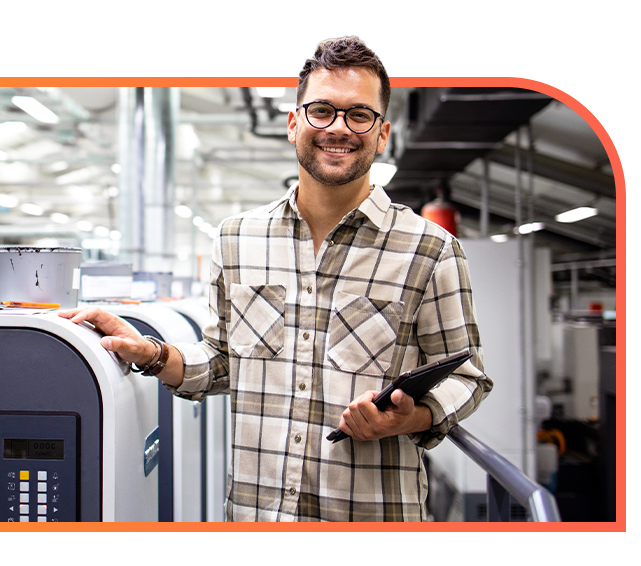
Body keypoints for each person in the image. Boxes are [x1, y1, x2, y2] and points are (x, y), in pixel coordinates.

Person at [59, 35, 493, 521]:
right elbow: (222, 363)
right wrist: (152, 353)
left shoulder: (429, 250)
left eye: (359, 115)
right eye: (322, 110)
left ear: (383, 133)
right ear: (293, 123)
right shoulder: (237, 239)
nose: (339, 128)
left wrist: (408, 418)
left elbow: (467, 376)